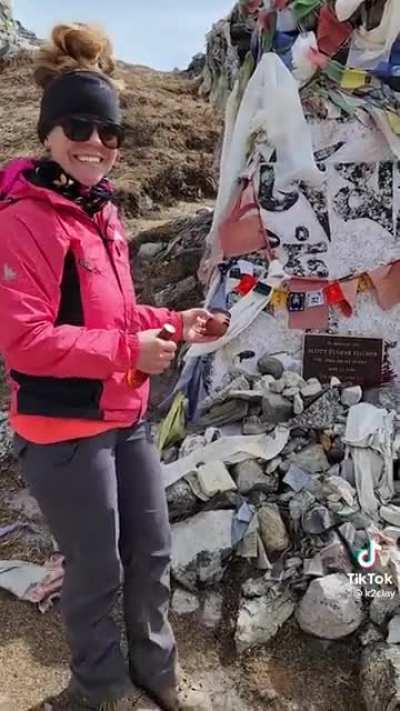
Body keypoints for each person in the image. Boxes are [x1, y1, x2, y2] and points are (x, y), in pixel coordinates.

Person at [0, 23, 213, 711]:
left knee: (149, 551)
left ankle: (157, 671)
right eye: (78, 127)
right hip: (62, 428)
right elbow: (24, 339)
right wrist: (130, 352)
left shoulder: (101, 212)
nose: (96, 143)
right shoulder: (23, 218)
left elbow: (112, 317)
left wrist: (172, 323)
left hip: (124, 414)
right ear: (48, 131)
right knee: (95, 568)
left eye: (109, 132)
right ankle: (99, 687)